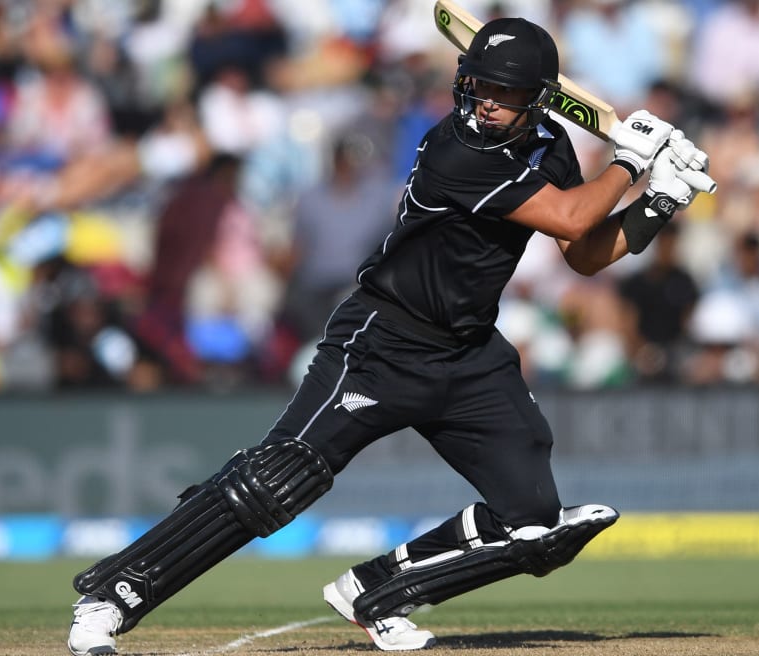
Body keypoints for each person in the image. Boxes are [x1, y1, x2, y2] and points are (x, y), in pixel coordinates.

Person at [66, 16, 711, 655]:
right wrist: (631, 160)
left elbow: (585, 251)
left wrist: (658, 202)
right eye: (478, 86)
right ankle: (112, 596)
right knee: (275, 481)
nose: (485, 104)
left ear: (539, 98)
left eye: (503, 94)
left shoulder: (549, 147)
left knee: (535, 526)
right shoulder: (456, 149)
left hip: (468, 355)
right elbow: (573, 214)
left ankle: (378, 590)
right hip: (383, 341)